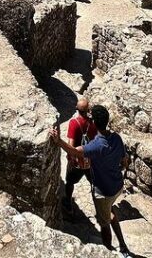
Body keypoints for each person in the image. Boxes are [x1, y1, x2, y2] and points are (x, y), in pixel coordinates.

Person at [49, 105, 131, 255]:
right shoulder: (117, 138)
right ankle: (123, 246)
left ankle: (107, 252)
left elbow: (74, 151)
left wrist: (58, 141)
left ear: (94, 123)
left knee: (104, 224)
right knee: (110, 212)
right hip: (117, 185)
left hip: (103, 192)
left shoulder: (96, 146)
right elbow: (125, 161)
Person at [61, 97, 97, 214]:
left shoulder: (74, 123)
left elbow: (71, 144)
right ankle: (99, 206)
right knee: (93, 183)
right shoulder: (93, 123)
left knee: (70, 182)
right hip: (90, 160)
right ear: (88, 110)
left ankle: (68, 204)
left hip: (77, 161)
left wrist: (70, 158)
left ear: (76, 109)